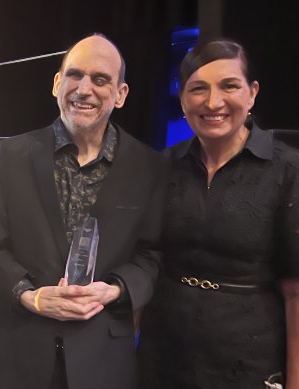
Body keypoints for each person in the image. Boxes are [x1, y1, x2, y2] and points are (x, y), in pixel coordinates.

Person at [0, 33, 166, 389]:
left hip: (104, 362)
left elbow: (151, 255)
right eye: (75, 75)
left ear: (121, 94)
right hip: (20, 355)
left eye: (100, 79)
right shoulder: (11, 155)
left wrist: (115, 289)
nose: (84, 89)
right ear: (57, 84)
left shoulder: (149, 167)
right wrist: (30, 296)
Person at [137, 39, 299, 389]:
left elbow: (295, 292)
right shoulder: (162, 166)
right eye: (198, 89)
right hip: (161, 356)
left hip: (248, 360)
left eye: (229, 86)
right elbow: (144, 260)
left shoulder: (287, 169)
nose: (213, 102)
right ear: (182, 100)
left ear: (252, 93)